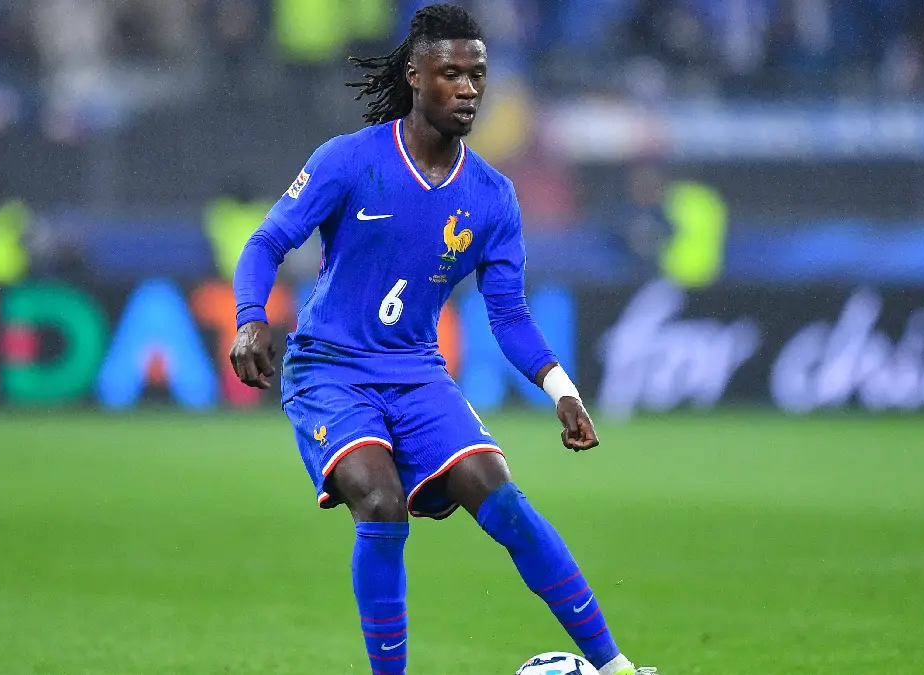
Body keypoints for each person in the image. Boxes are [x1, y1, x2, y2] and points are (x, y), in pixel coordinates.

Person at [229, 5, 657, 675]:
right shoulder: (350, 161)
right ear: (415, 76)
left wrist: (561, 388)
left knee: (502, 495)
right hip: (330, 369)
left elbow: (508, 314)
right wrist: (251, 316)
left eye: (477, 75)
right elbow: (265, 241)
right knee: (379, 499)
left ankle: (616, 666)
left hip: (416, 371)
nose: (467, 89)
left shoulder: (492, 196)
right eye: (450, 73)